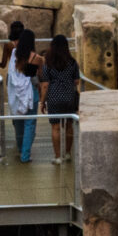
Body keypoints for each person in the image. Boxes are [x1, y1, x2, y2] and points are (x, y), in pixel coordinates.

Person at [3, 19, 40, 162]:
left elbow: (8, 70)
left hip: (16, 92)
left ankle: (20, 147)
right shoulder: (36, 58)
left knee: (18, 121)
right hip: (32, 92)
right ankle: (25, 154)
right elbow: (41, 77)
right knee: (30, 123)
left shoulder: (13, 54)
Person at [40, 32, 80, 160]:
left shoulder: (48, 63)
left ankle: (58, 157)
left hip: (54, 97)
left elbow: (45, 84)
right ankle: (68, 153)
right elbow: (76, 81)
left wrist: (42, 102)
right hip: (69, 96)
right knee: (69, 125)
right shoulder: (72, 62)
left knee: (56, 127)